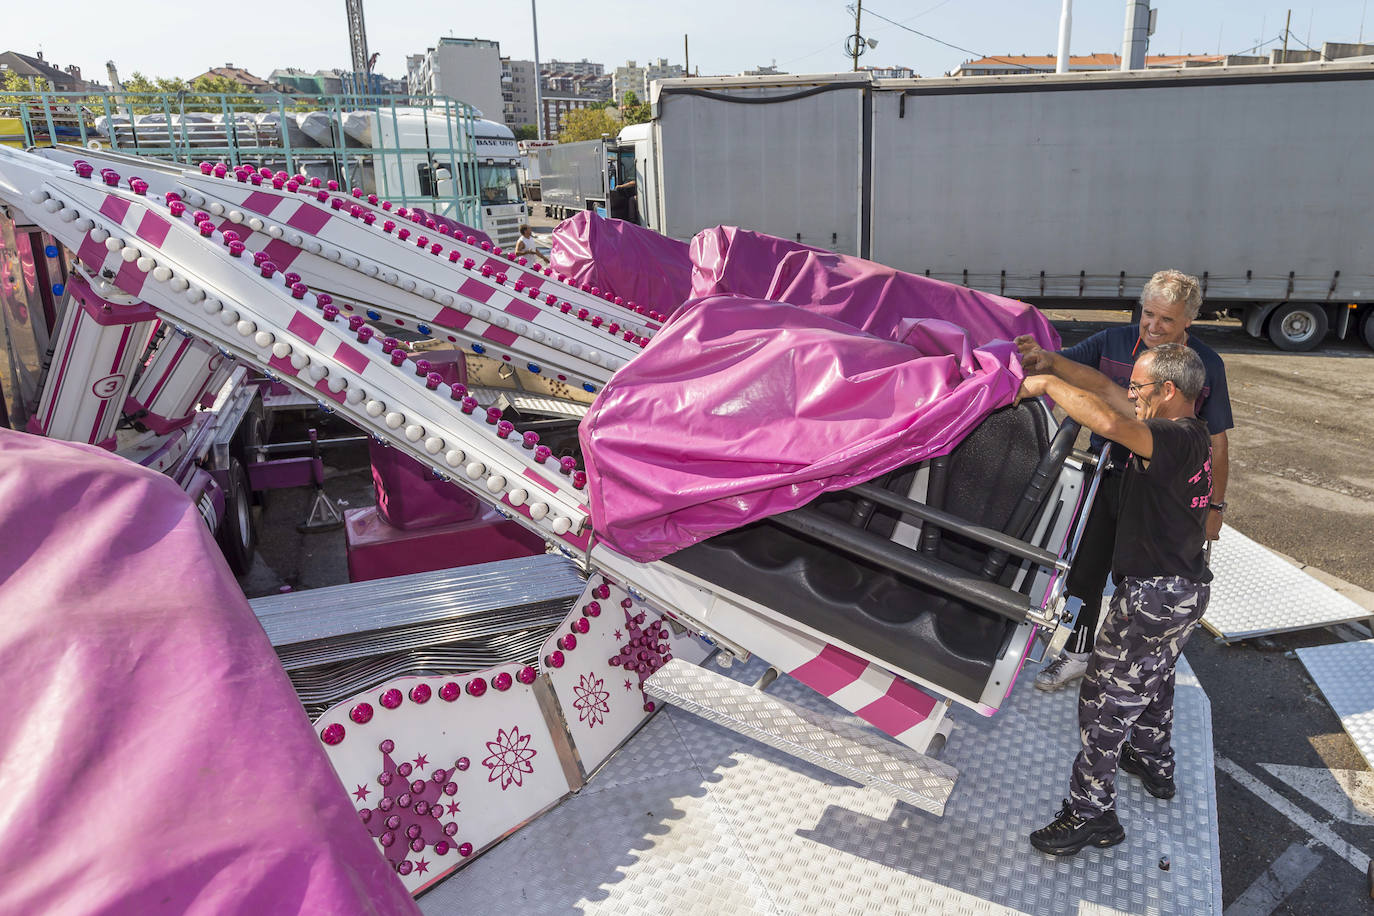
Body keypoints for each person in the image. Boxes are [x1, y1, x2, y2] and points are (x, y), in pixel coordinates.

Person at [1019, 342, 1214, 855]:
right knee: (1155, 677)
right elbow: (1106, 393)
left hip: (1154, 596)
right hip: (1183, 589)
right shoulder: (1190, 433)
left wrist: (1044, 385)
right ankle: (1153, 760)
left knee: (1104, 699)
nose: (1132, 395)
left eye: (1140, 389)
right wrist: (1054, 362)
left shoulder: (1170, 437)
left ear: (1168, 391)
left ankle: (1089, 816)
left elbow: (1106, 420)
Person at [1019, 270, 1232, 691]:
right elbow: (1090, 377)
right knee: (1085, 568)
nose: (1153, 327)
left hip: (1163, 493)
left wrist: (1214, 509)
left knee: (1143, 582)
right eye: (1147, 314)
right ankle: (1077, 653)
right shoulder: (1114, 342)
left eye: (1166, 320)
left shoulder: (1206, 365)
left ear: (1190, 321)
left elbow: (1217, 443)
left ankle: (1129, 667)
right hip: (1107, 476)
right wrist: (1045, 360)